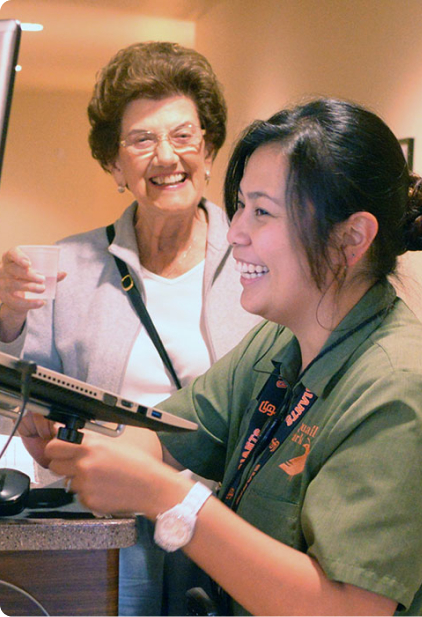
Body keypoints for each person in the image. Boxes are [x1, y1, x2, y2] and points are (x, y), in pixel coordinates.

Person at [18, 98, 422, 616]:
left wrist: (170, 499)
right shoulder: (278, 344)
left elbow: (347, 609)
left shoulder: (402, 391)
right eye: (241, 206)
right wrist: (73, 443)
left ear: (351, 237)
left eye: (263, 212)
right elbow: (165, 438)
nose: (236, 233)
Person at [0, 42, 260, 616]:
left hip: (229, 534)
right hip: (106, 537)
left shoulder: (257, 261)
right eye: (142, 140)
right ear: (114, 165)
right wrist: (8, 315)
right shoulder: (72, 265)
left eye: (183, 135)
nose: (166, 156)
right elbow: (14, 407)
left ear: (210, 147)